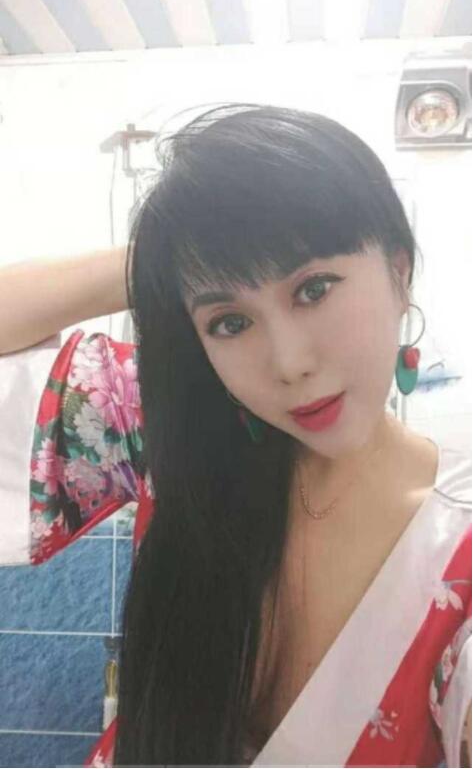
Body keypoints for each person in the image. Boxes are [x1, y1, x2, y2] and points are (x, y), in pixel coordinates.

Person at [0, 102, 470, 768]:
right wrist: (168, 257)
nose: (289, 364)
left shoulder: (458, 539)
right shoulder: (173, 430)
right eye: (229, 321)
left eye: (313, 289)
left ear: (399, 271)